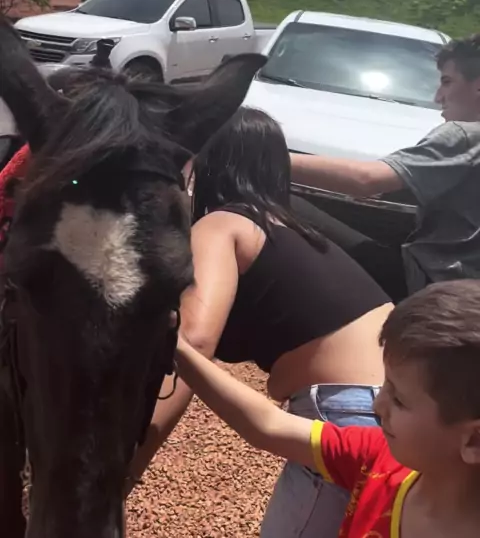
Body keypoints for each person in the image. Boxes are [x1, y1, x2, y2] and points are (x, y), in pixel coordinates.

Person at [129, 107, 393, 537]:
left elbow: (192, 343)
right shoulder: (296, 230)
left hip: (348, 414)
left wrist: (130, 464)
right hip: (401, 408)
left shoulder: (222, 224)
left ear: (203, 163)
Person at [174, 280, 480, 538]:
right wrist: (178, 347)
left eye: (399, 400)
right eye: (385, 385)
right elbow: (268, 426)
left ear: (474, 440)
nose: (377, 405)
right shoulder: (380, 460)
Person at [291, 34, 480, 295]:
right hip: (465, 291)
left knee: (285, 203)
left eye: (447, 82)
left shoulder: (465, 135)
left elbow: (366, 181)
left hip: (425, 284)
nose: (438, 97)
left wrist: (264, 154)